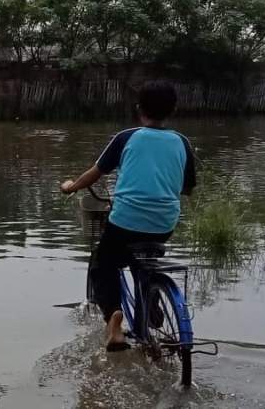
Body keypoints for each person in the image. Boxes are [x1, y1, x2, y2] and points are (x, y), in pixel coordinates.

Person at [60, 81, 196, 352]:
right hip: (164, 223)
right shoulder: (182, 142)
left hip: (126, 220)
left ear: (139, 109)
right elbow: (187, 189)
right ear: (173, 110)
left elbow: (95, 172)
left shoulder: (127, 137)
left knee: (103, 264)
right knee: (143, 260)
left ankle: (114, 320)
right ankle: (153, 300)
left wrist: (71, 186)